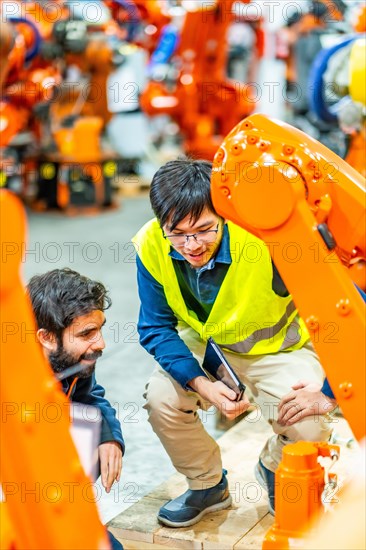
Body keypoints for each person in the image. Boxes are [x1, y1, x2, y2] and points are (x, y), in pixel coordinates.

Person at [132, 157, 332, 527]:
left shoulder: (267, 237)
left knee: (311, 421)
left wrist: (326, 391)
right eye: (177, 232)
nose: (191, 245)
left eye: (205, 229)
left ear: (223, 214)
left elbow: (343, 308)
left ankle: (274, 464)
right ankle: (207, 486)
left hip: (278, 350)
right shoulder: (150, 244)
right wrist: (201, 384)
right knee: (161, 398)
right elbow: (155, 328)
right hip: (208, 355)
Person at [27, 268, 124, 550]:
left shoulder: (71, 360)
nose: (101, 343)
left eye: (100, 329)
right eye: (87, 333)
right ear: (46, 337)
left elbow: (91, 395)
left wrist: (108, 436)